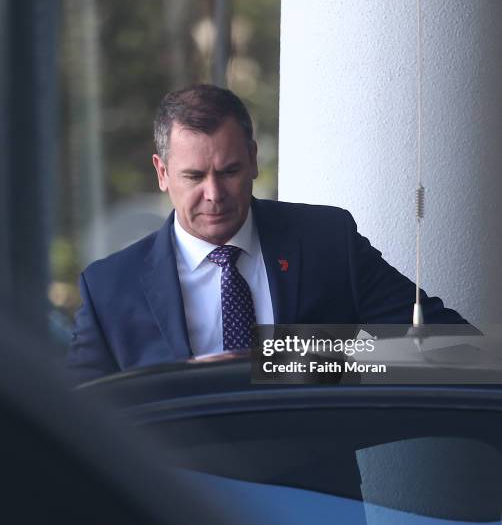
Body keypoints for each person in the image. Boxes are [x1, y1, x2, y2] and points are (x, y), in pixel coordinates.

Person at [68, 84, 469, 383]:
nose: (214, 194)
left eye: (229, 171)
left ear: (254, 160)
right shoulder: (108, 288)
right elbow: (78, 420)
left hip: (309, 493)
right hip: (167, 493)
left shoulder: (326, 242)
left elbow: (444, 342)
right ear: (161, 173)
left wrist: (296, 358)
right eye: (193, 176)